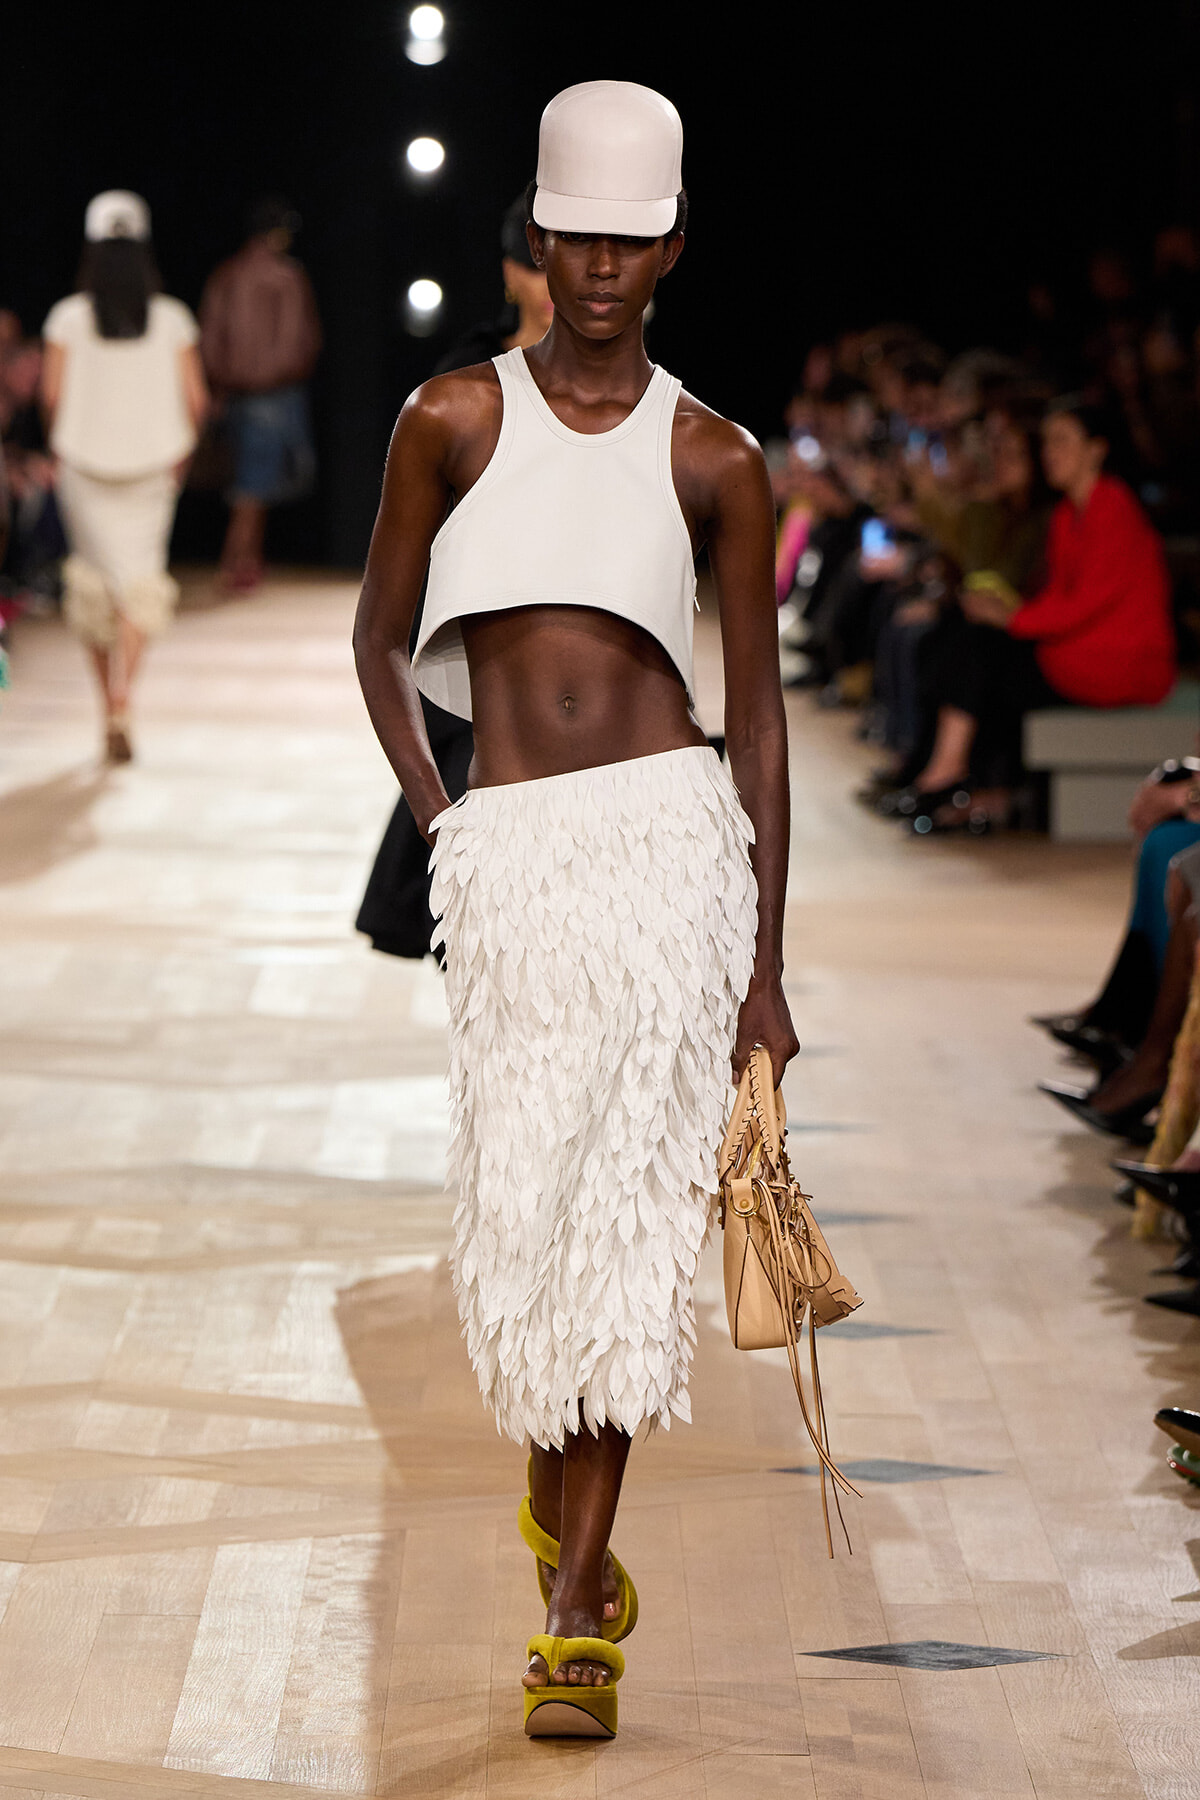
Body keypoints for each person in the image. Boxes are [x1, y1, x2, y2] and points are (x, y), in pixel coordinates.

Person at [353, 80, 796, 1738]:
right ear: (538, 239)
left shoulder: (716, 457)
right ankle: (574, 1529)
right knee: (530, 1223)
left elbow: (753, 720)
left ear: (671, 247)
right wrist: (443, 821)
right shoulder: (450, 419)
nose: (601, 267)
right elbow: (378, 639)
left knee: (623, 1235)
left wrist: (762, 965)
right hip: (517, 863)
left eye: (632, 240)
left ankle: (570, 1615)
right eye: (575, 237)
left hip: (670, 855)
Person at [356, 196, 554, 960]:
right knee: (474, 773)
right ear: (515, 270)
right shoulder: (463, 378)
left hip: (578, 623)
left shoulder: (640, 390)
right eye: (541, 258)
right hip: (473, 609)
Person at [900, 396, 1176, 826]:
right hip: (1081, 649)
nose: (1050, 452)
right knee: (966, 638)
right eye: (1047, 442)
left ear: (1097, 449)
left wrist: (1011, 618)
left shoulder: (1113, 506)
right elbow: (1059, 597)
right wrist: (1008, 612)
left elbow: (1086, 602)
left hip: (1121, 661)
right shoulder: (1069, 513)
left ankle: (950, 775)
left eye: (1063, 441)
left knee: (985, 650)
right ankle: (955, 779)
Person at [40, 192, 207, 762]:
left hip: (83, 467)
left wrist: (63, 444)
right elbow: (197, 400)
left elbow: (51, 395)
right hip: (153, 467)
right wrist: (180, 455)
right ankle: (122, 697)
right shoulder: (172, 318)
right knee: (140, 584)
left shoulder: (66, 317)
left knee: (93, 584)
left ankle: (105, 701)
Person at [198, 196, 321, 592]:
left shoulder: (226, 275)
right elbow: (303, 338)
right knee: (254, 486)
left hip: (234, 391)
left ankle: (245, 560)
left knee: (252, 481)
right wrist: (290, 370)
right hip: (277, 391)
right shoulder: (288, 276)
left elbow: (209, 337)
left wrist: (217, 385)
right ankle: (236, 563)